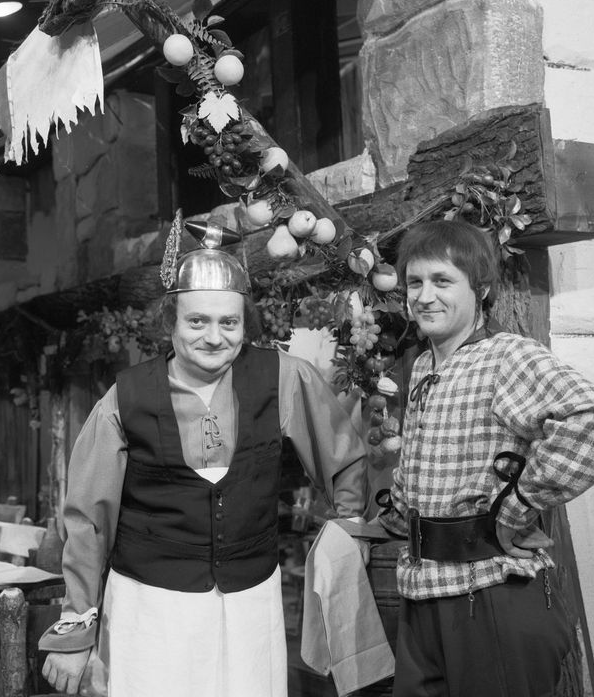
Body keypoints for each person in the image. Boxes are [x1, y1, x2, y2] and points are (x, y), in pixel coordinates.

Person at [39, 234, 367, 697]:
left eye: (228, 322)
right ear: (170, 321)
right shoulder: (124, 400)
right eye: (197, 321)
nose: (215, 337)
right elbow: (88, 520)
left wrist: (350, 528)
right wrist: (76, 630)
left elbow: (344, 458)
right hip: (150, 611)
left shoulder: (285, 377)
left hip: (251, 604)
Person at [377, 220, 594, 697]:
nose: (424, 295)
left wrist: (514, 508)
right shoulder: (426, 363)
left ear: (482, 289)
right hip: (424, 591)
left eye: (442, 281)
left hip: (490, 592)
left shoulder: (507, 357)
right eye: (415, 282)